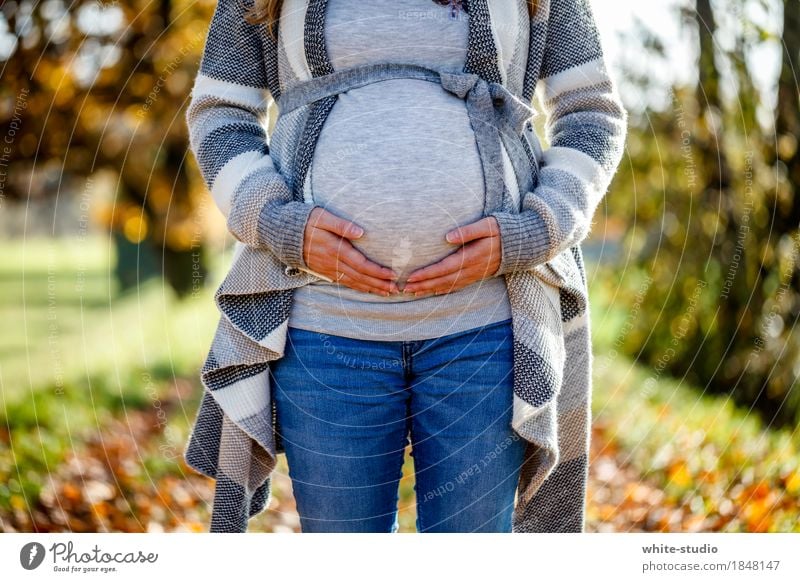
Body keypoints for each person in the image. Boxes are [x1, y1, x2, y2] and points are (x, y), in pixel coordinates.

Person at [185, 0, 628, 533]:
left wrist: (539, 227)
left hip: (486, 328)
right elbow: (221, 111)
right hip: (323, 329)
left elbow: (590, 112)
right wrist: (278, 221)